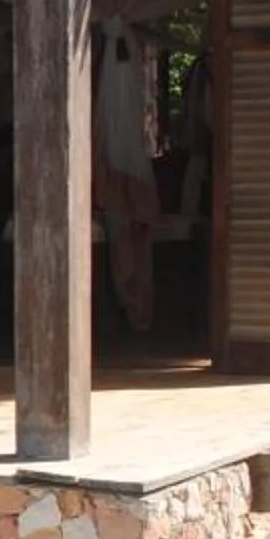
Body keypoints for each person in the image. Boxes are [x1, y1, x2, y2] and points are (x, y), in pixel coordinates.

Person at [91, 20, 160, 334]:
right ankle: (133, 303)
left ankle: (134, 303)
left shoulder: (118, 103)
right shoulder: (109, 110)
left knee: (130, 245)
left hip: (125, 183)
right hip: (122, 183)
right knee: (128, 246)